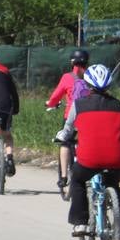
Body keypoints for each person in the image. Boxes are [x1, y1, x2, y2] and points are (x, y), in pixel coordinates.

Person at [61, 63, 120, 240]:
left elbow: (68, 130)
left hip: (88, 160)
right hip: (117, 159)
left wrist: (62, 137)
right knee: (113, 183)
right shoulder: (118, 104)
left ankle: (80, 222)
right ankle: (119, 217)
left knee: (77, 180)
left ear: (88, 84)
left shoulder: (78, 104)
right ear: (108, 85)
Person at [46, 48, 90, 193]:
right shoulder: (91, 76)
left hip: (71, 116)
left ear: (72, 62)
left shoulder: (67, 77)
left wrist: (50, 104)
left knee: (65, 143)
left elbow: (56, 96)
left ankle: (64, 177)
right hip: (89, 114)